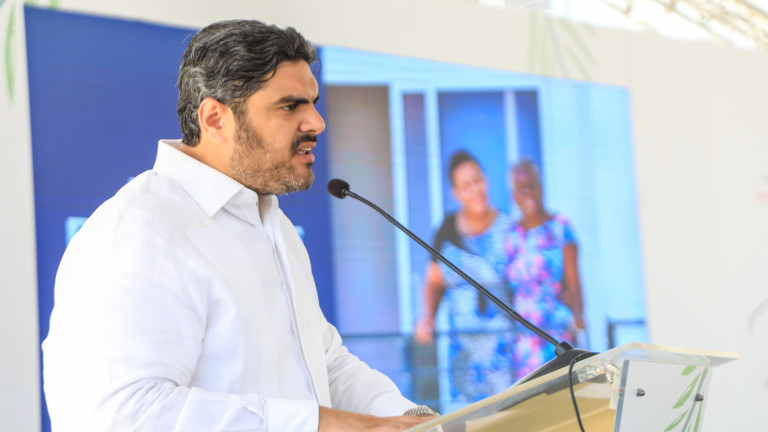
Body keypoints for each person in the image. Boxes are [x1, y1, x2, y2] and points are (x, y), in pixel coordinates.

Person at [42, 19, 436, 432]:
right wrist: (318, 425)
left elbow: (326, 365)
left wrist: (415, 420)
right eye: (290, 106)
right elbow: (125, 413)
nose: (316, 123)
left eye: (313, 103)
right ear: (215, 119)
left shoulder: (274, 224)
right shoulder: (138, 232)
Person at [413, 150, 514, 410]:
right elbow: (434, 281)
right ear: (456, 193)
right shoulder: (446, 231)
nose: (475, 189)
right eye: (466, 185)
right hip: (463, 356)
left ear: (486, 181)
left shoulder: (509, 229)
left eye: (478, 180)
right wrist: (428, 317)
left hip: (504, 355)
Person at [504, 159, 586, 380]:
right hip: (524, 341)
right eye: (521, 188)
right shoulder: (510, 236)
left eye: (531, 185)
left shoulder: (561, 227)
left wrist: (578, 317)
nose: (527, 192)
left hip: (556, 333)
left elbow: (574, 282)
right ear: (513, 195)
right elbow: (508, 289)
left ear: (540, 187)